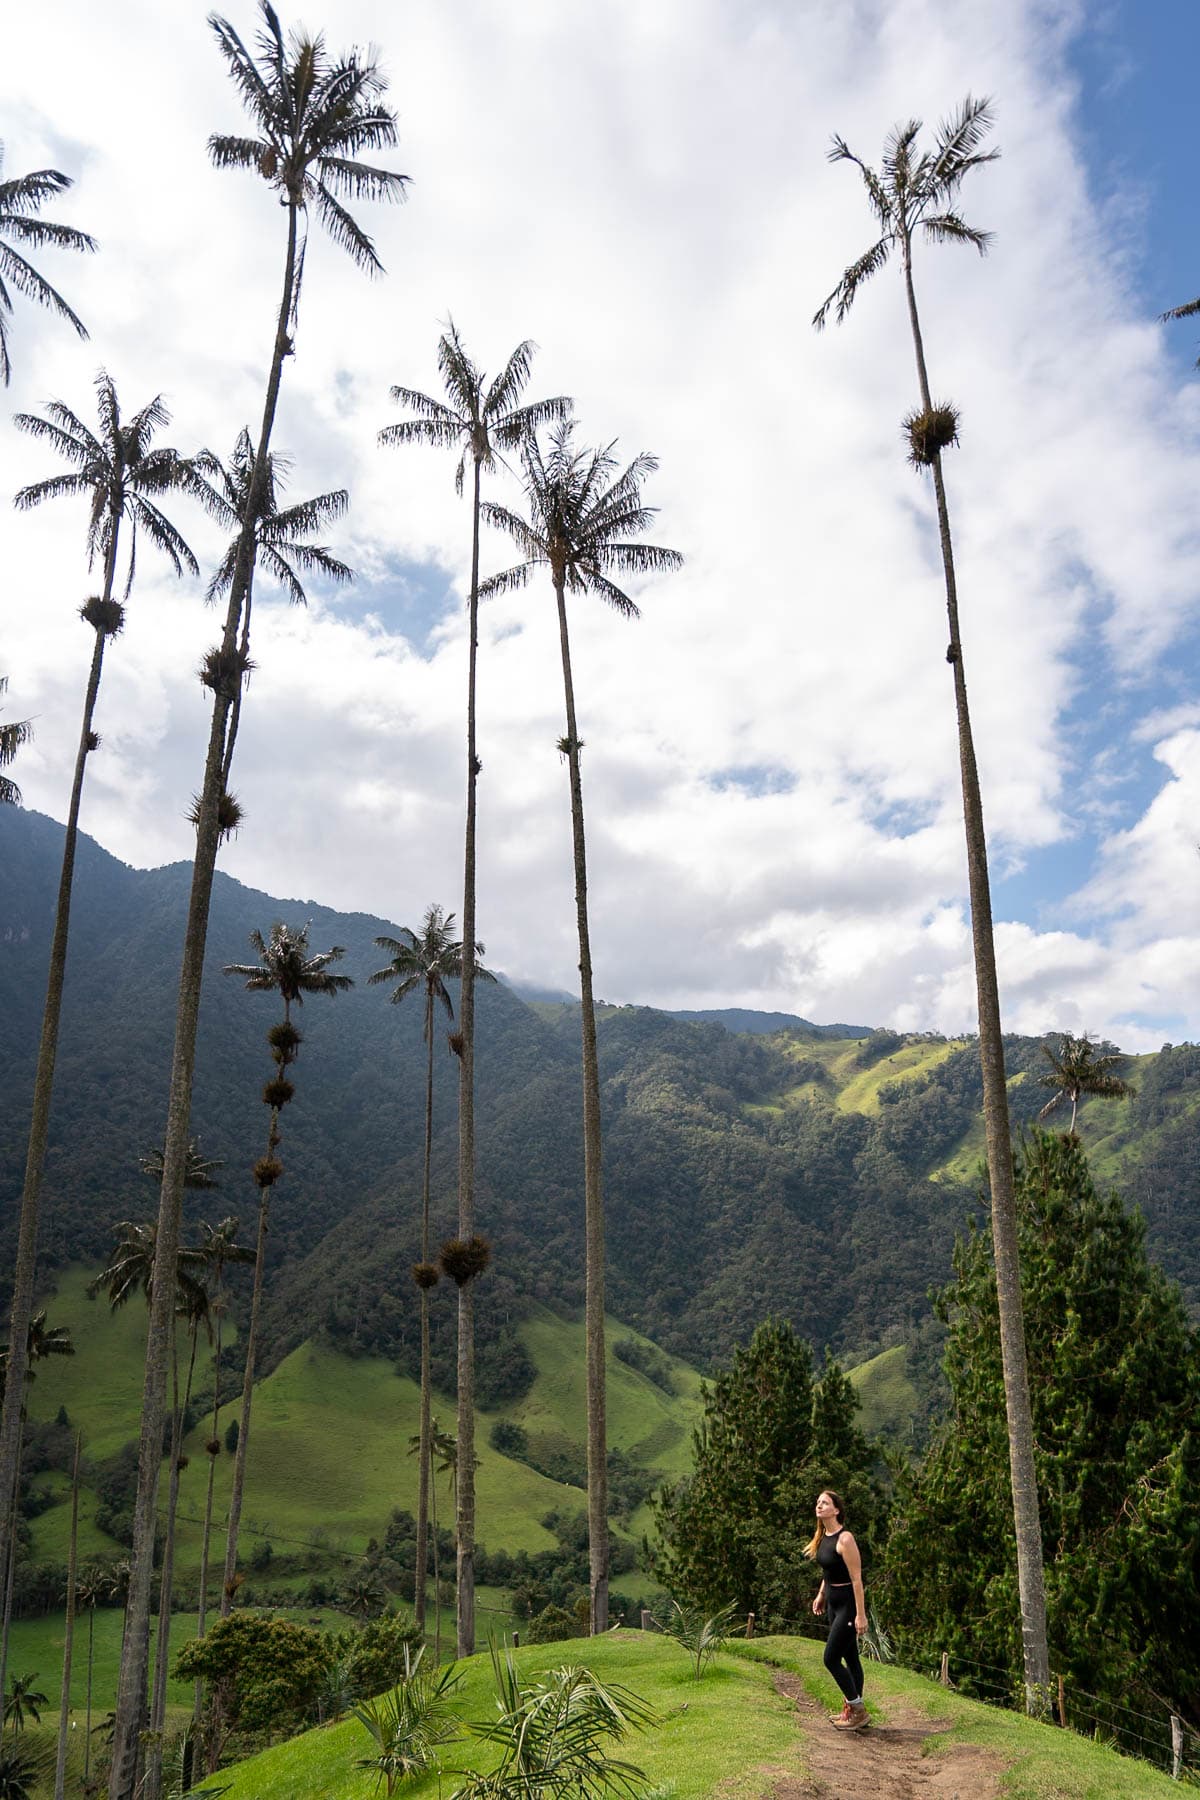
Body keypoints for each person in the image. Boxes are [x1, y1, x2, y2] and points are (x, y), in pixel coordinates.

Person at [806, 1488, 868, 1730]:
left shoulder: (845, 1539)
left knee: (831, 1658)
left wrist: (860, 1615)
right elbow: (828, 1572)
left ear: (837, 1510)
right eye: (818, 1502)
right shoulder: (823, 1537)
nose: (819, 1506)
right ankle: (852, 1712)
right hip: (833, 1601)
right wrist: (821, 1595)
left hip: (848, 1605)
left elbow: (856, 1579)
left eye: (825, 1503)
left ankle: (857, 1709)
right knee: (851, 1658)